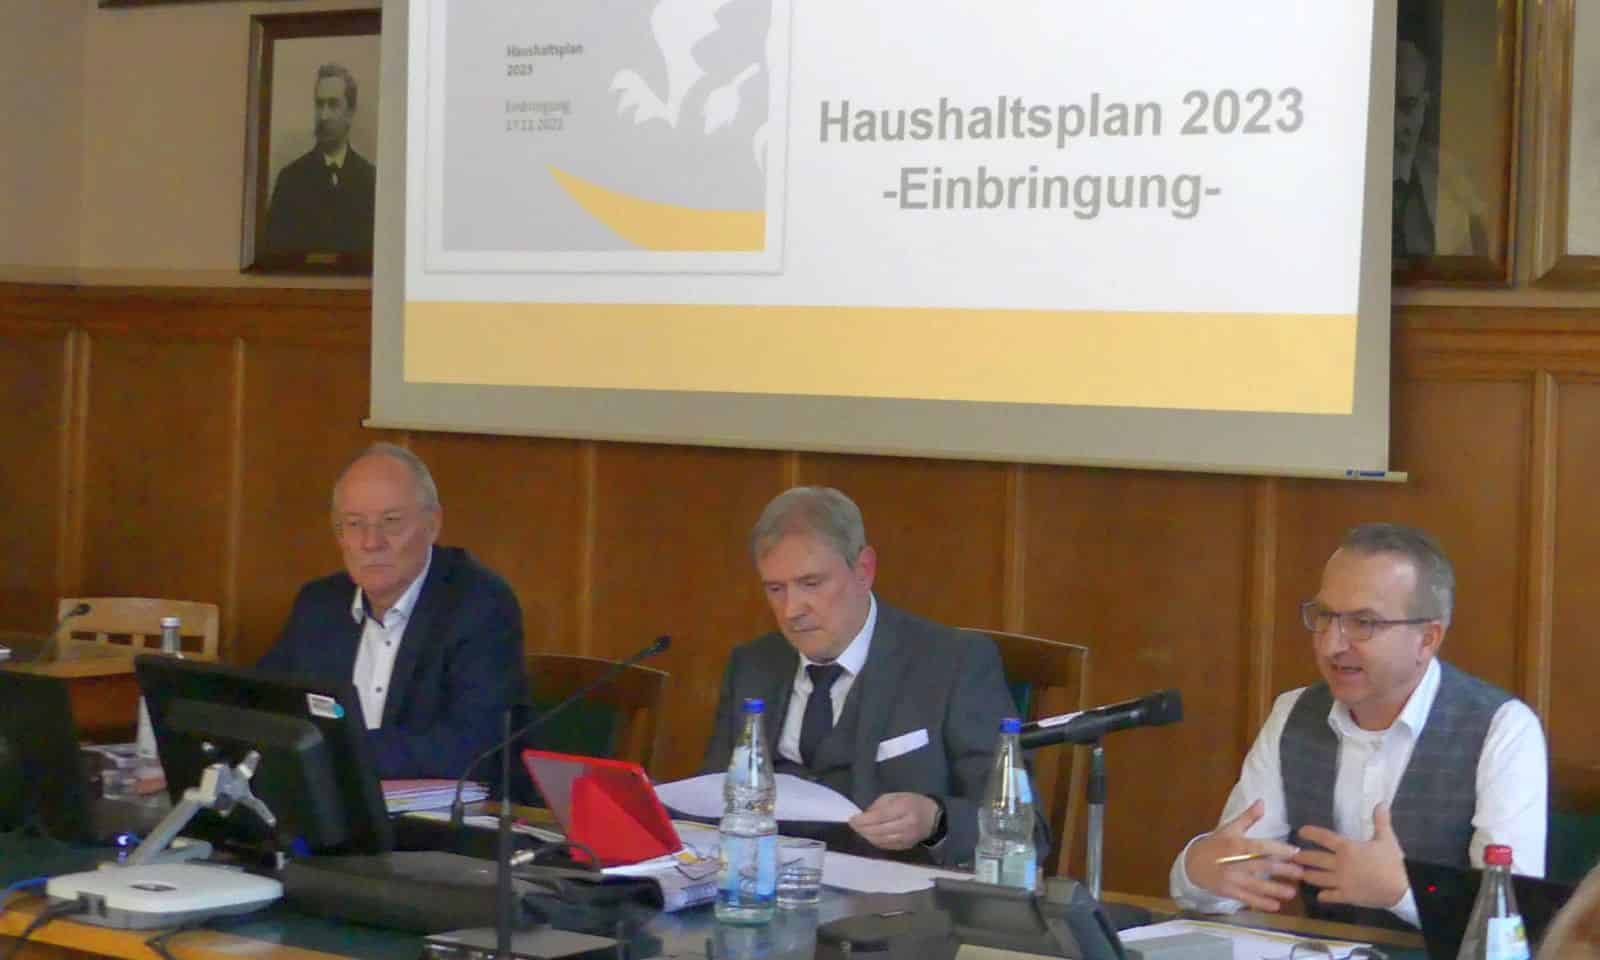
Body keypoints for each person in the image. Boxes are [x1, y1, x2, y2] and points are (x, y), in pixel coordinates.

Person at [1169, 523, 1547, 930]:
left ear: (1427, 639)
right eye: (1325, 616)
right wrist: (1196, 872)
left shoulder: (1503, 729)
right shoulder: (1294, 714)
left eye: (1364, 623)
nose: (1331, 644)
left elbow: (1511, 921)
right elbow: (1238, 869)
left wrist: (1402, 892)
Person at [701, 486, 1043, 867]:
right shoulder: (752, 665)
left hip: (897, 890)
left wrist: (935, 820)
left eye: (811, 583)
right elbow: (711, 803)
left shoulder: (953, 663)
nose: (791, 609)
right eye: (775, 589)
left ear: (864, 570)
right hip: (767, 882)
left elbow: (1029, 832)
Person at [258, 442, 526, 781]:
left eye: (391, 522)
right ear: (339, 535)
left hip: (441, 811)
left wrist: (337, 752)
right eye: (354, 524)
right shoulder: (319, 606)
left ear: (433, 524)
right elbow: (266, 707)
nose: (371, 542)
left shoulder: (479, 605)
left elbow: (473, 747)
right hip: (333, 802)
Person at [263, 63, 377, 255]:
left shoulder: (371, 180)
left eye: (333, 105)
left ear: (350, 113)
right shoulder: (290, 180)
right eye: (319, 104)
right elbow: (274, 254)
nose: (323, 116)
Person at [1392, 38, 1487, 258]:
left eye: (1408, 106)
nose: (1395, 124)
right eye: (1386, 108)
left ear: (1425, 104)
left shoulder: (1455, 186)